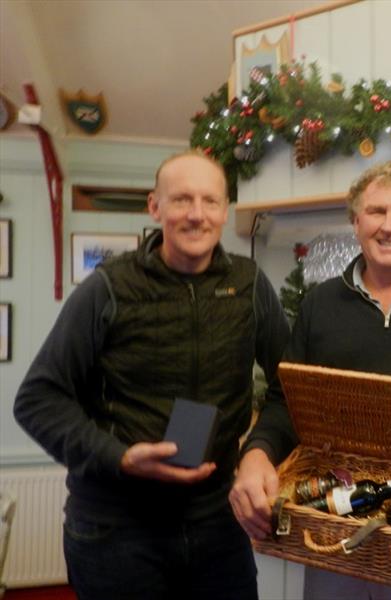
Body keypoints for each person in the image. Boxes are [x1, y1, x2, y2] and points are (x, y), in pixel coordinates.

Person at [14, 150, 290, 600]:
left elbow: (291, 388)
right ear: (154, 207)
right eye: (181, 200)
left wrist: (260, 451)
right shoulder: (108, 288)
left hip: (219, 527)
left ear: (225, 211)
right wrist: (119, 457)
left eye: (210, 201)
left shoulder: (249, 284)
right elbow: (37, 400)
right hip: (116, 530)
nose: (196, 215)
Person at [230, 161, 391, 599]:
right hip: (334, 523)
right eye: (375, 212)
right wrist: (257, 453)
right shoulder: (319, 305)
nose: (389, 226)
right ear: (355, 222)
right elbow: (285, 401)